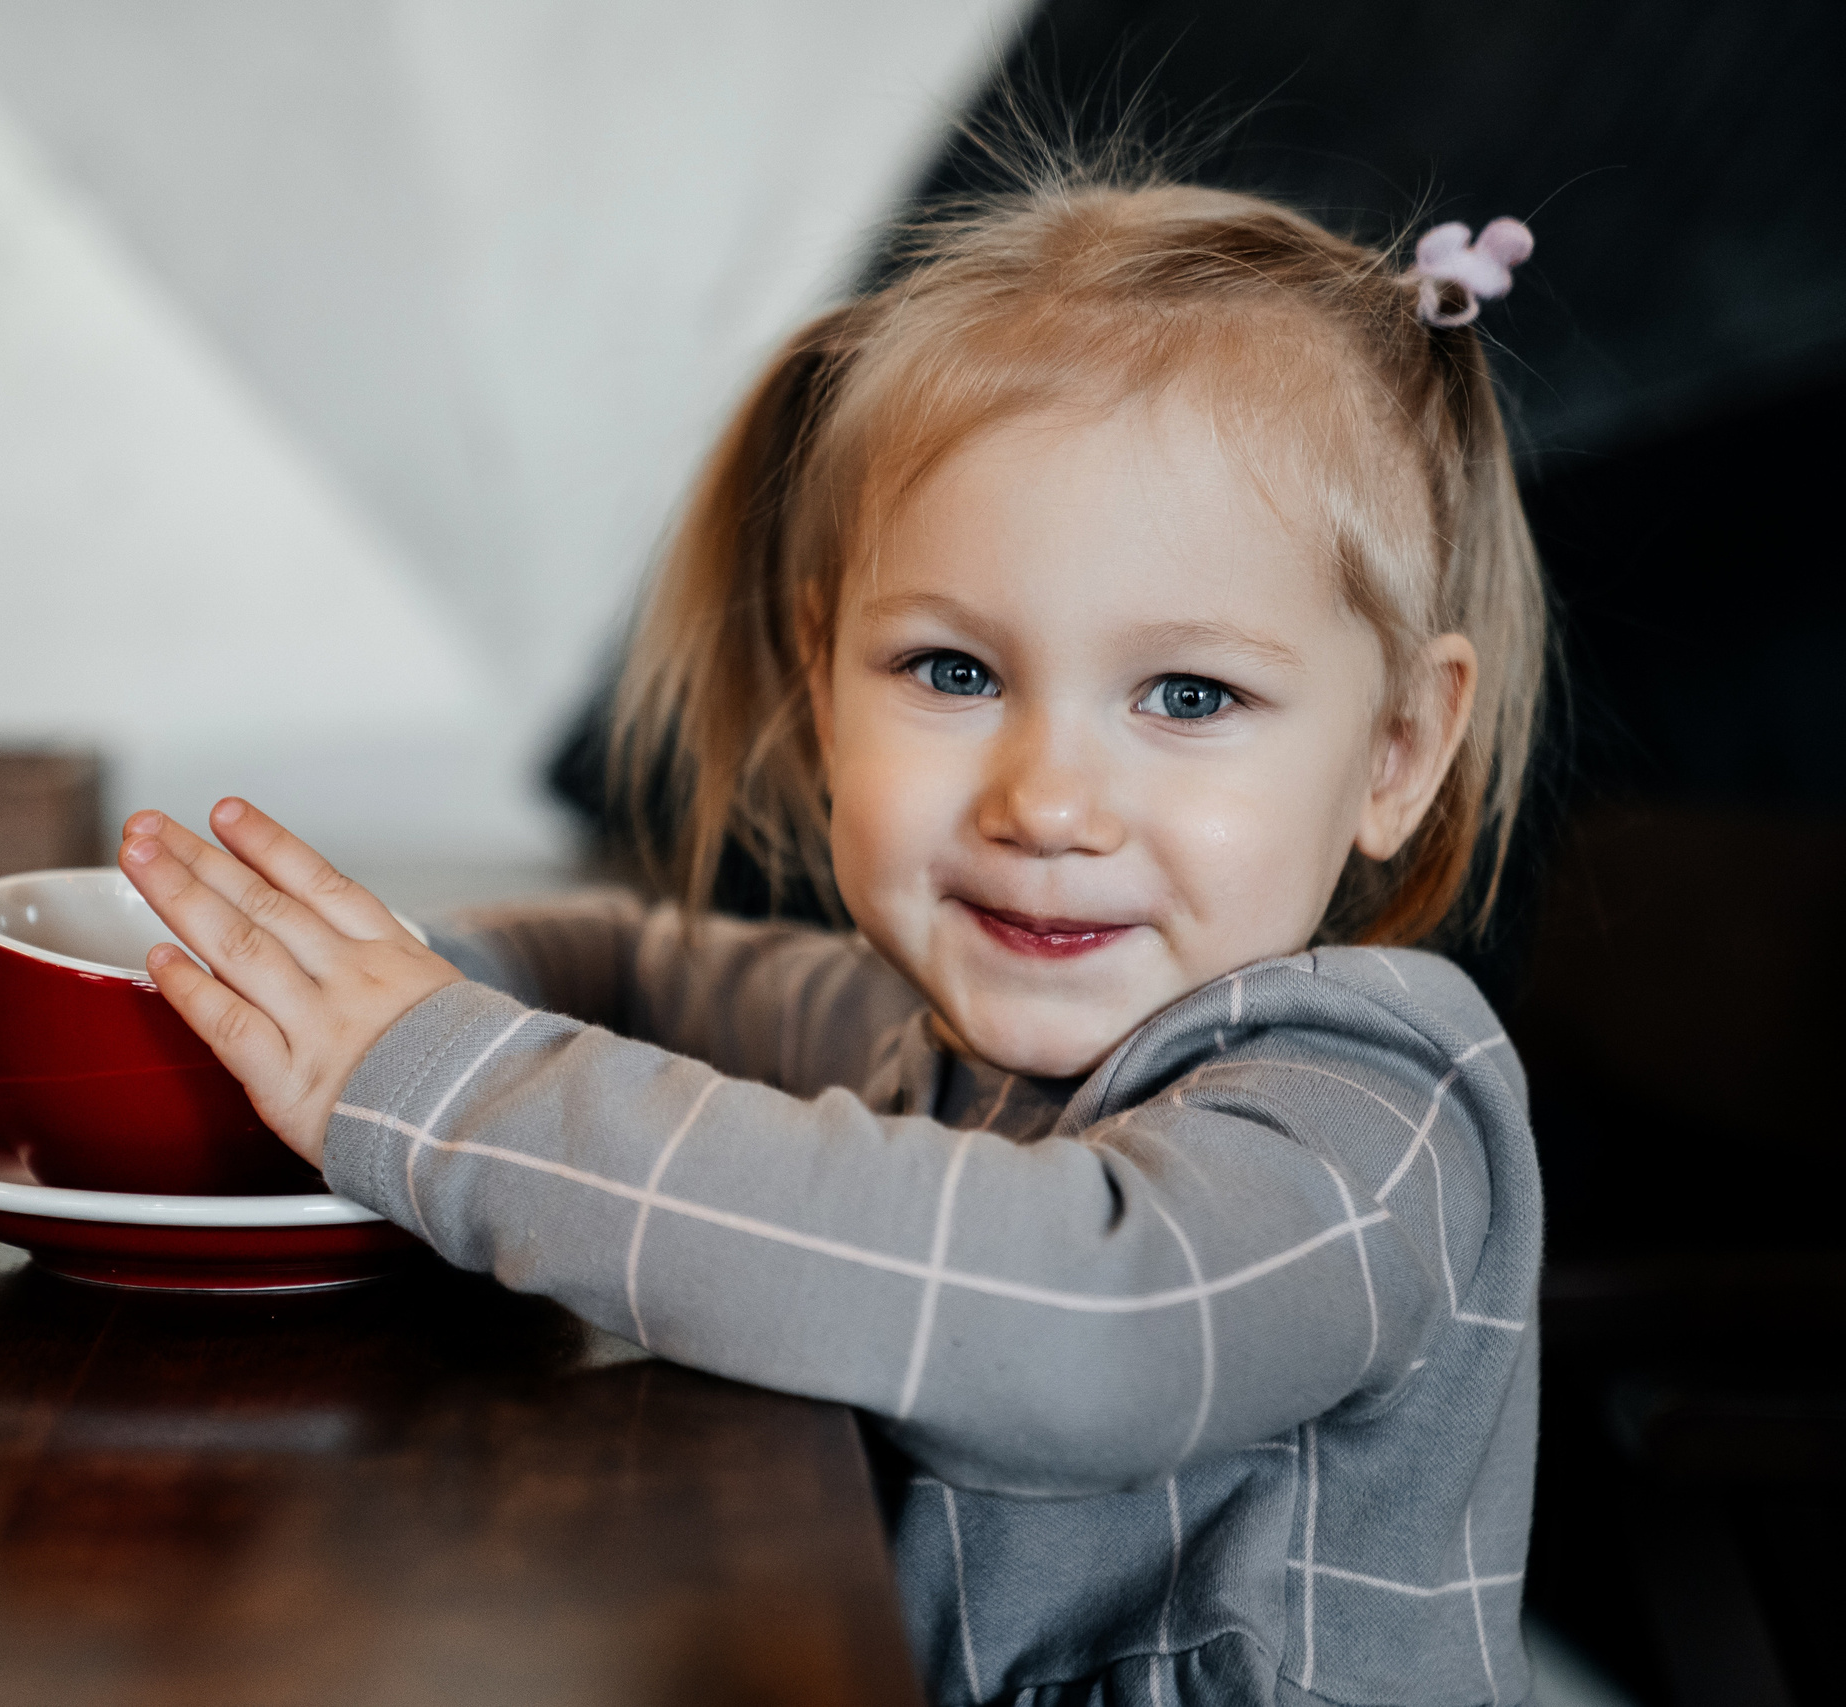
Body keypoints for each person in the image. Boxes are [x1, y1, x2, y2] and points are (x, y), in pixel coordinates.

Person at [116, 175, 1548, 1707]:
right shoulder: (924, 1032)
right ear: (822, 677)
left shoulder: (1377, 1109)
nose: (1048, 801)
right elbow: (641, 976)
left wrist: (447, 1088)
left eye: (1188, 697)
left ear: (1397, 750)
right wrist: (368, 986)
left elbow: (1088, 1328)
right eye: (951, 667)